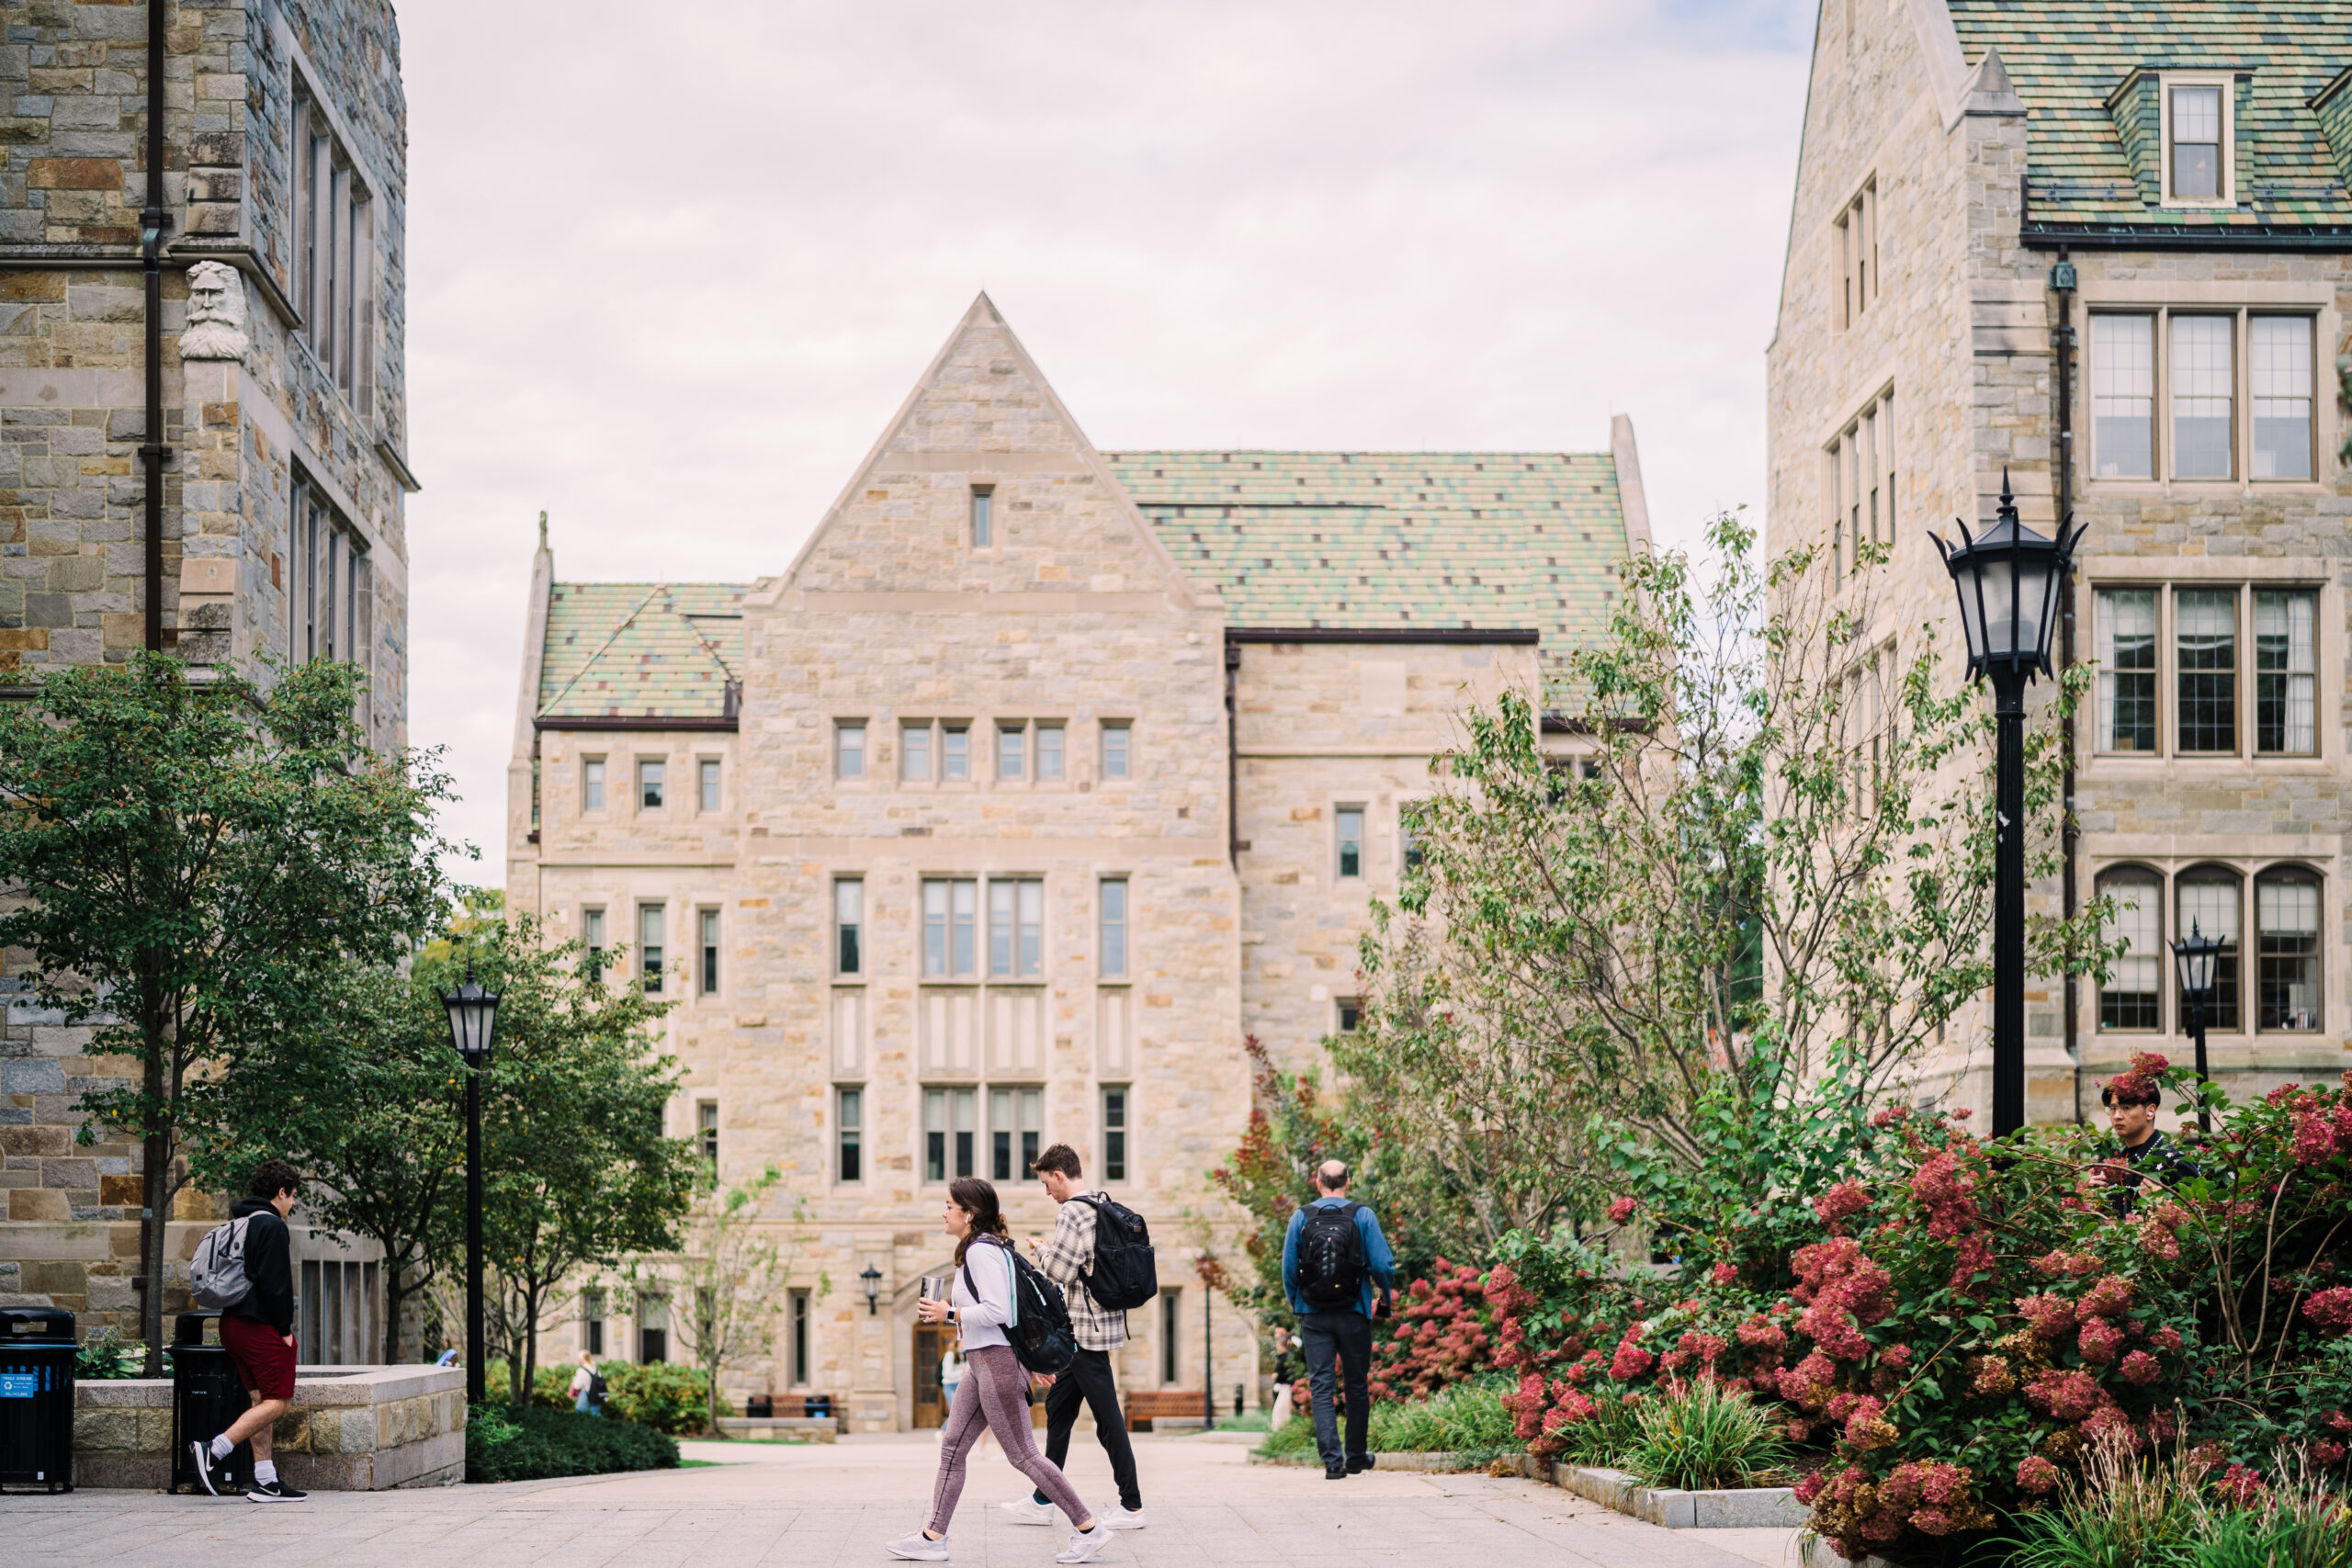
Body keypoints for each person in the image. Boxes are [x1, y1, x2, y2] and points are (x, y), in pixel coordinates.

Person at [886, 1178, 1111, 1563]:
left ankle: (1089, 1528)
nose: (943, 1212)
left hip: (993, 1362)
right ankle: (932, 1537)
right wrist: (1024, 1360)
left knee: (1023, 1455)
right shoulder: (987, 1249)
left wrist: (948, 1312)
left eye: (949, 1206)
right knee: (953, 1447)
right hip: (983, 1361)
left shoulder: (981, 1252)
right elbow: (1005, 1316)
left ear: (968, 1214)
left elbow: (998, 1312)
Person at [1001, 1143, 1146, 1532]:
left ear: (1060, 1176)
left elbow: (1062, 1272)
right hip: (1098, 1326)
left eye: (1047, 1183)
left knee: (1108, 1420)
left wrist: (1042, 1251)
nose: (1046, 1192)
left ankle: (1131, 1505)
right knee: (1059, 1411)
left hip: (1083, 1333)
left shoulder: (1072, 1211)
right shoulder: (1101, 1202)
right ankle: (1043, 1499)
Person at [191, 1159, 307, 1501]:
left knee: (260, 1400)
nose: (293, 1203)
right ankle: (214, 1450)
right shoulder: (271, 1226)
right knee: (279, 1401)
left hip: (231, 1325)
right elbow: (277, 1286)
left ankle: (265, 1480)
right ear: (281, 1192)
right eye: (293, 1196)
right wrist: (285, 1330)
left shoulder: (240, 1222)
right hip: (259, 1327)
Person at [1281, 1159, 1396, 1482]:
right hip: (1354, 1311)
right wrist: (1385, 1296)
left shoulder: (1301, 1217)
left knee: (1321, 1386)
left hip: (1314, 1314)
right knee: (1356, 1384)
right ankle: (1357, 1458)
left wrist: (1298, 1303)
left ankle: (1333, 1463)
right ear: (1348, 1182)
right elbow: (1383, 1265)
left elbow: (1289, 1270)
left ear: (1318, 1183)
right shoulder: (1363, 1215)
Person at [2090, 1070, 2194, 1215]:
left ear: (2150, 1111)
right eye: (2113, 1109)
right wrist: (2091, 1204)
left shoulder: (2175, 1162)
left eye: (2126, 1107)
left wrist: (2162, 1206)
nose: (2117, 1116)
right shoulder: (2113, 1169)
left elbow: (2200, 1227)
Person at [1268, 1326, 1299, 1431]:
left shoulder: (1285, 1358)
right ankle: (1281, 1430)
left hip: (1285, 1387)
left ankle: (1281, 1430)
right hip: (1283, 1387)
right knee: (1280, 1410)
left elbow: (1279, 1373)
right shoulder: (1284, 1357)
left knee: (1280, 1411)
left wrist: (1276, 1375)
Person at [570, 1350, 602, 1416]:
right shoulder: (596, 1369)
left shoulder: (581, 1370)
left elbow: (577, 1386)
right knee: (596, 1414)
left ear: (581, 1359)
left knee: (579, 1413)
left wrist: (574, 1380)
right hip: (595, 1394)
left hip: (585, 1393)